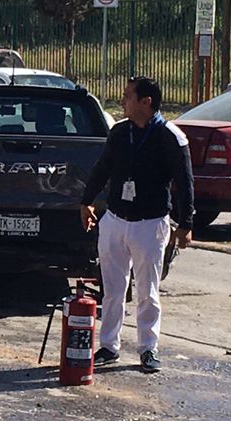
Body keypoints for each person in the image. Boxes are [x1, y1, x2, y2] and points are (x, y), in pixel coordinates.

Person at [80, 76, 194, 374]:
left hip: (150, 223)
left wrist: (186, 222)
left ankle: (148, 347)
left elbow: (184, 181)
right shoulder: (120, 132)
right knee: (113, 288)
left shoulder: (170, 137)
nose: (123, 101)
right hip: (115, 219)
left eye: (128, 96)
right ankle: (108, 345)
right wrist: (86, 200)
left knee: (148, 290)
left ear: (146, 102)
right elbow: (103, 167)